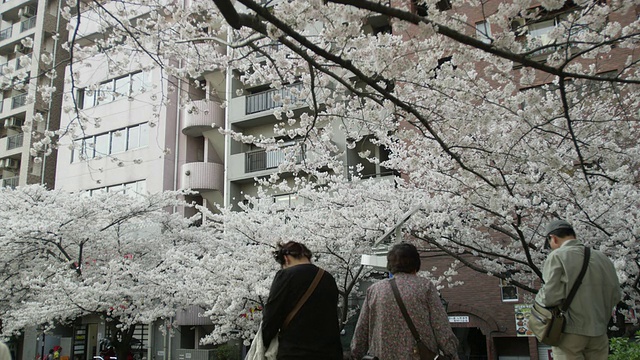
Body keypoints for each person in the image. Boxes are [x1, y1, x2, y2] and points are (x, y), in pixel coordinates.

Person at [351, 243, 459, 360]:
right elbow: (441, 327)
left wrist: (356, 353)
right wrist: (451, 353)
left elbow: (361, 333)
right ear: (416, 264)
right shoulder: (425, 287)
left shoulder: (374, 290)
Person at [535, 219, 621, 360]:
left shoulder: (557, 256)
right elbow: (616, 295)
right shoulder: (603, 258)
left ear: (553, 238)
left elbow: (550, 297)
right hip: (599, 331)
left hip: (570, 332)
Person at [261, 241, 343, 359]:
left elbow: (271, 316)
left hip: (295, 352)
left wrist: (264, 342)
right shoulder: (328, 278)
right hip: (329, 353)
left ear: (286, 259)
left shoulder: (286, 275)